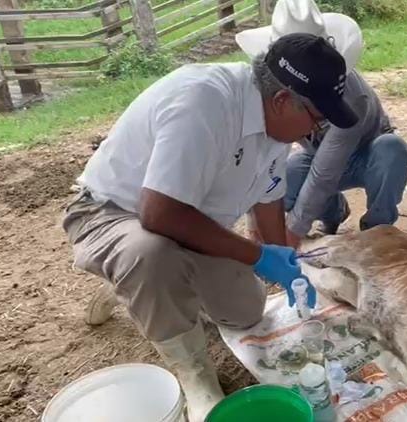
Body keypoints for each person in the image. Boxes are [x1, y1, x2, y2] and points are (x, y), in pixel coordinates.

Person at [62, 33, 356, 421]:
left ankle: (144, 287)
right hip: (113, 214)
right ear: (284, 100)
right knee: (148, 254)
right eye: (316, 119)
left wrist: (282, 257)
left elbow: (268, 191)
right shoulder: (203, 101)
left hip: (186, 223)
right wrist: (257, 255)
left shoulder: (274, 120)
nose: (313, 132)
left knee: (246, 311)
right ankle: (195, 376)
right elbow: (159, 214)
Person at [237, 0, 407, 246]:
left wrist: (292, 232)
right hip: (317, 156)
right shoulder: (265, 88)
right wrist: (254, 227)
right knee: (289, 171)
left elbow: (325, 171)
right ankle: (333, 212)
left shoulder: (353, 97)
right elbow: (263, 160)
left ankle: (377, 231)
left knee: (392, 149)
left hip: (366, 156)